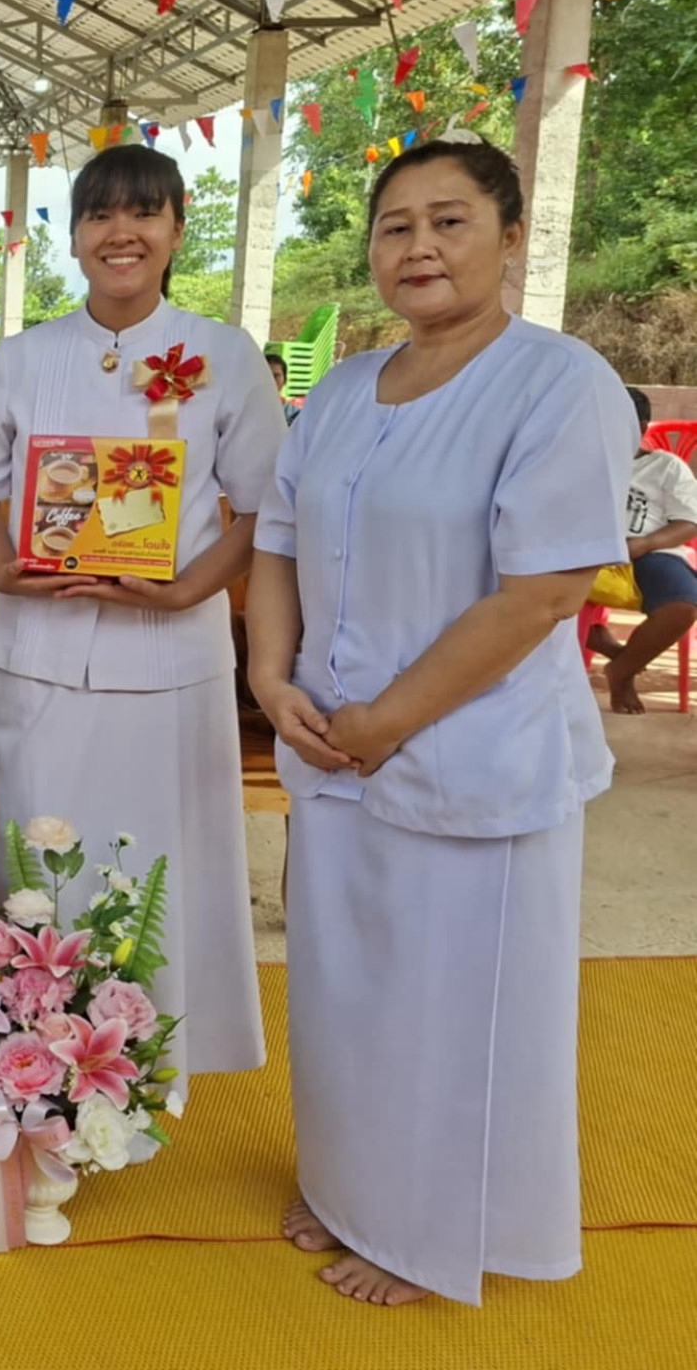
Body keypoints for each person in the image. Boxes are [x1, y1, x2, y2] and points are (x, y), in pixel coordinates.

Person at [247, 138, 632, 1308]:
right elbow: (275, 541)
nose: (417, 247)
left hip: (466, 752)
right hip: (329, 742)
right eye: (395, 226)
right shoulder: (348, 388)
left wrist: (389, 719)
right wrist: (272, 680)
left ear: (511, 238)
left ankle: (432, 1234)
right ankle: (354, 1186)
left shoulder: (559, 384)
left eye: (449, 222)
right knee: (344, 987)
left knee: (453, 1005)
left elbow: (544, 591)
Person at [0, 143, 280, 1096]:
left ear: (176, 228)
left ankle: (152, 1069)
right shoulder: (22, 358)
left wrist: (190, 589)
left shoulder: (223, 356)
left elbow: (260, 509)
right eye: (99, 215)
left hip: (170, 660)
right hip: (37, 656)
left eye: (142, 213)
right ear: (76, 235)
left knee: (161, 868)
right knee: (41, 863)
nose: (119, 232)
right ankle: (29, 1078)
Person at [588, 385, 697, 712]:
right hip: (588, 551)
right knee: (534, 590)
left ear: (642, 427)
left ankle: (622, 671)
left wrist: (645, 544)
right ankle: (603, 641)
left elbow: (689, 522)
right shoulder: (579, 462)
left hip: (650, 552)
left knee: (683, 605)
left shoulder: (666, 467)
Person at [266, 350, 300, 424]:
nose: (271, 380)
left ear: (285, 380)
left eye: (276, 376)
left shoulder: (294, 415)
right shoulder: (246, 412)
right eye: (267, 375)